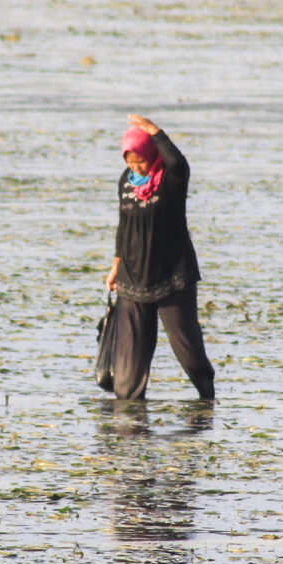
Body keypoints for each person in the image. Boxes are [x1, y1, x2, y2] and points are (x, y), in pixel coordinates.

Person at [103, 114, 215, 402]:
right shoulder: (126, 182)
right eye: (130, 161)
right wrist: (115, 267)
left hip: (171, 277)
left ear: (151, 155)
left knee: (187, 347)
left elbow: (178, 162)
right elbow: (123, 225)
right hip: (132, 277)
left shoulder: (171, 178)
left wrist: (153, 131)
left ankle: (206, 396)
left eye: (140, 160)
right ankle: (130, 416)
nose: (135, 167)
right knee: (127, 371)